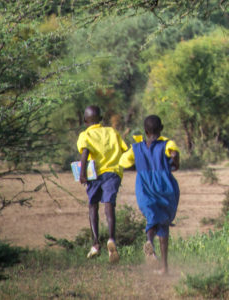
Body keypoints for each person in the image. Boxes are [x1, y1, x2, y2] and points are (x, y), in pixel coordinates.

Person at [120, 114, 180, 274]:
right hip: (165, 186)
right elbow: (174, 154)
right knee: (163, 223)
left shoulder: (136, 147)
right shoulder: (168, 143)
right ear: (161, 129)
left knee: (151, 214)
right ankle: (164, 266)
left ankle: (149, 242)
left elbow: (124, 161)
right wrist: (174, 161)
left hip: (145, 185)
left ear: (145, 131)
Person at [76, 105, 129, 263]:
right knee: (109, 205)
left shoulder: (85, 135)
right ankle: (111, 239)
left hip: (95, 175)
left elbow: (85, 152)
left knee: (93, 205)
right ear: (101, 119)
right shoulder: (112, 132)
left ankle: (95, 244)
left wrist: (82, 173)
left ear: (85, 121)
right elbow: (124, 150)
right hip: (113, 173)